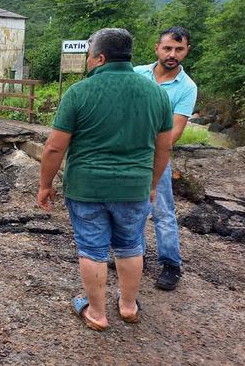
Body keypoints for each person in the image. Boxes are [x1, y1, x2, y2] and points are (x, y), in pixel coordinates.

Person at [37, 28, 173, 331]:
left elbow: (55, 146)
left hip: (87, 188)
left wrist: (45, 185)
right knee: (130, 246)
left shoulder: (80, 92)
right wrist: (151, 184)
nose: (87, 61)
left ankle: (97, 314)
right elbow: (164, 148)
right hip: (134, 187)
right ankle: (127, 307)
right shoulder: (156, 93)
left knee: (92, 249)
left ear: (99, 57)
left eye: (89, 56)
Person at [134, 26, 198, 291]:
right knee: (132, 209)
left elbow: (175, 131)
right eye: (168, 48)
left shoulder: (187, 87)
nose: (172, 54)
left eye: (179, 49)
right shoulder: (137, 74)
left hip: (157, 156)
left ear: (186, 51)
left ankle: (171, 264)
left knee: (162, 211)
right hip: (128, 155)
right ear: (157, 48)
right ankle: (133, 255)